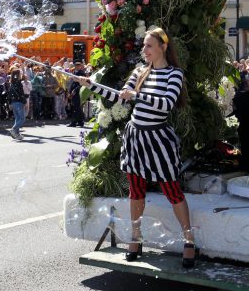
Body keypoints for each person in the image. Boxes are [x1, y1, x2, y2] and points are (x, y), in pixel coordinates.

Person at [76, 28, 197, 268]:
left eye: (149, 46)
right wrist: (91, 84)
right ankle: (136, 237)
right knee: (136, 190)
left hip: (158, 138)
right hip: (135, 137)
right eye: (144, 46)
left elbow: (166, 103)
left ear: (163, 47)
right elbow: (119, 96)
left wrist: (136, 96)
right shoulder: (140, 71)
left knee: (172, 189)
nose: (144, 50)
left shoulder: (174, 74)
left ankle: (189, 239)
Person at [8, 67, 28, 140]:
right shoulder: (19, 83)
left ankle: (17, 134)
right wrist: (25, 102)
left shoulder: (11, 83)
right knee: (22, 118)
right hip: (19, 102)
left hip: (13, 102)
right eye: (20, 74)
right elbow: (21, 94)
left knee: (17, 119)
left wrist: (10, 103)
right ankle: (13, 129)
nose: (21, 75)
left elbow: (9, 94)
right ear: (17, 75)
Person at [67, 60, 86, 127]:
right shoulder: (74, 72)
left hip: (78, 92)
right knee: (76, 107)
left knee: (76, 107)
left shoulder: (82, 73)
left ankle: (74, 122)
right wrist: (69, 91)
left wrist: (75, 90)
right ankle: (80, 121)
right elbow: (72, 83)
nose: (77, 67)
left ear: (80, 66)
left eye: (78, 65)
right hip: (73, 92)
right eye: (76, 65)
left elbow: (82, 84)